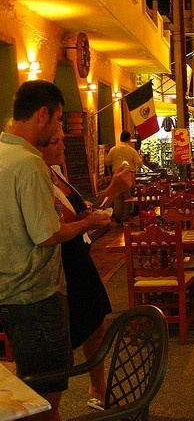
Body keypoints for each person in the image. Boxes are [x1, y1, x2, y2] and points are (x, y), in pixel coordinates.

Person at [0, 80, 110, 421]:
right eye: (60, 120)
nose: (61, 129)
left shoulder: (3, 154)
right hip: (37, 296)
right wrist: (87, 224)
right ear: (42, 114)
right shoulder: (29, 163)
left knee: (31, 390)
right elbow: (47, 234)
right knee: (45, 400)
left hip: (10, 293)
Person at [38, 125, 131, 410]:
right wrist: (91, 217)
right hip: (61, 265)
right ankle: (48, 407)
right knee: (58, 342)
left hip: (79, 260)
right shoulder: (35, 178)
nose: (63, 148)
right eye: (56, 142)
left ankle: (97, 387)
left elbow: (83, 215)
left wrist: (112, 190)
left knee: (97, 325)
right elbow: (54, 229)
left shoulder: (56, 173)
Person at [104, 131, 143, 225]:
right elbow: (139, 164)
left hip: (116, 175)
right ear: (129, 139)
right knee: (128, 197)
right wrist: (141, 159)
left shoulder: (113, 149)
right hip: (128, 175)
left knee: (117, 197)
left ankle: (117, 217)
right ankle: (125, 219)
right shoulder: (131, 150)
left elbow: (107, 162)